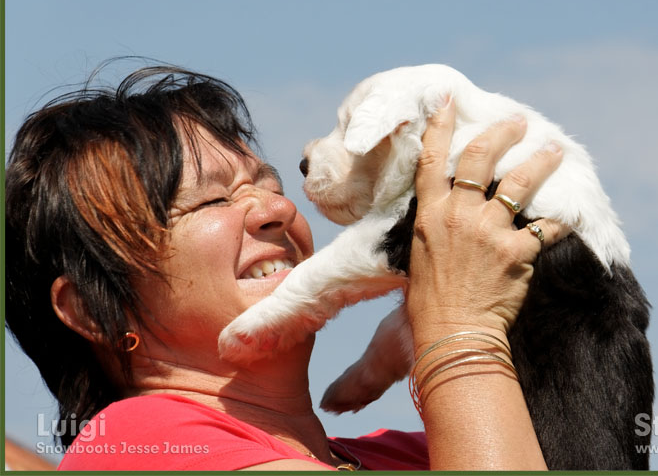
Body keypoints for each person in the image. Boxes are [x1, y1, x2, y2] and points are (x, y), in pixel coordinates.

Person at [5, 63, 567, 471]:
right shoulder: (137, 449)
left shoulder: (416, 455)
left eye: (268, 184)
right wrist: (459, 327)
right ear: (92, 311)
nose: (279, 209)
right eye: (212, 201)